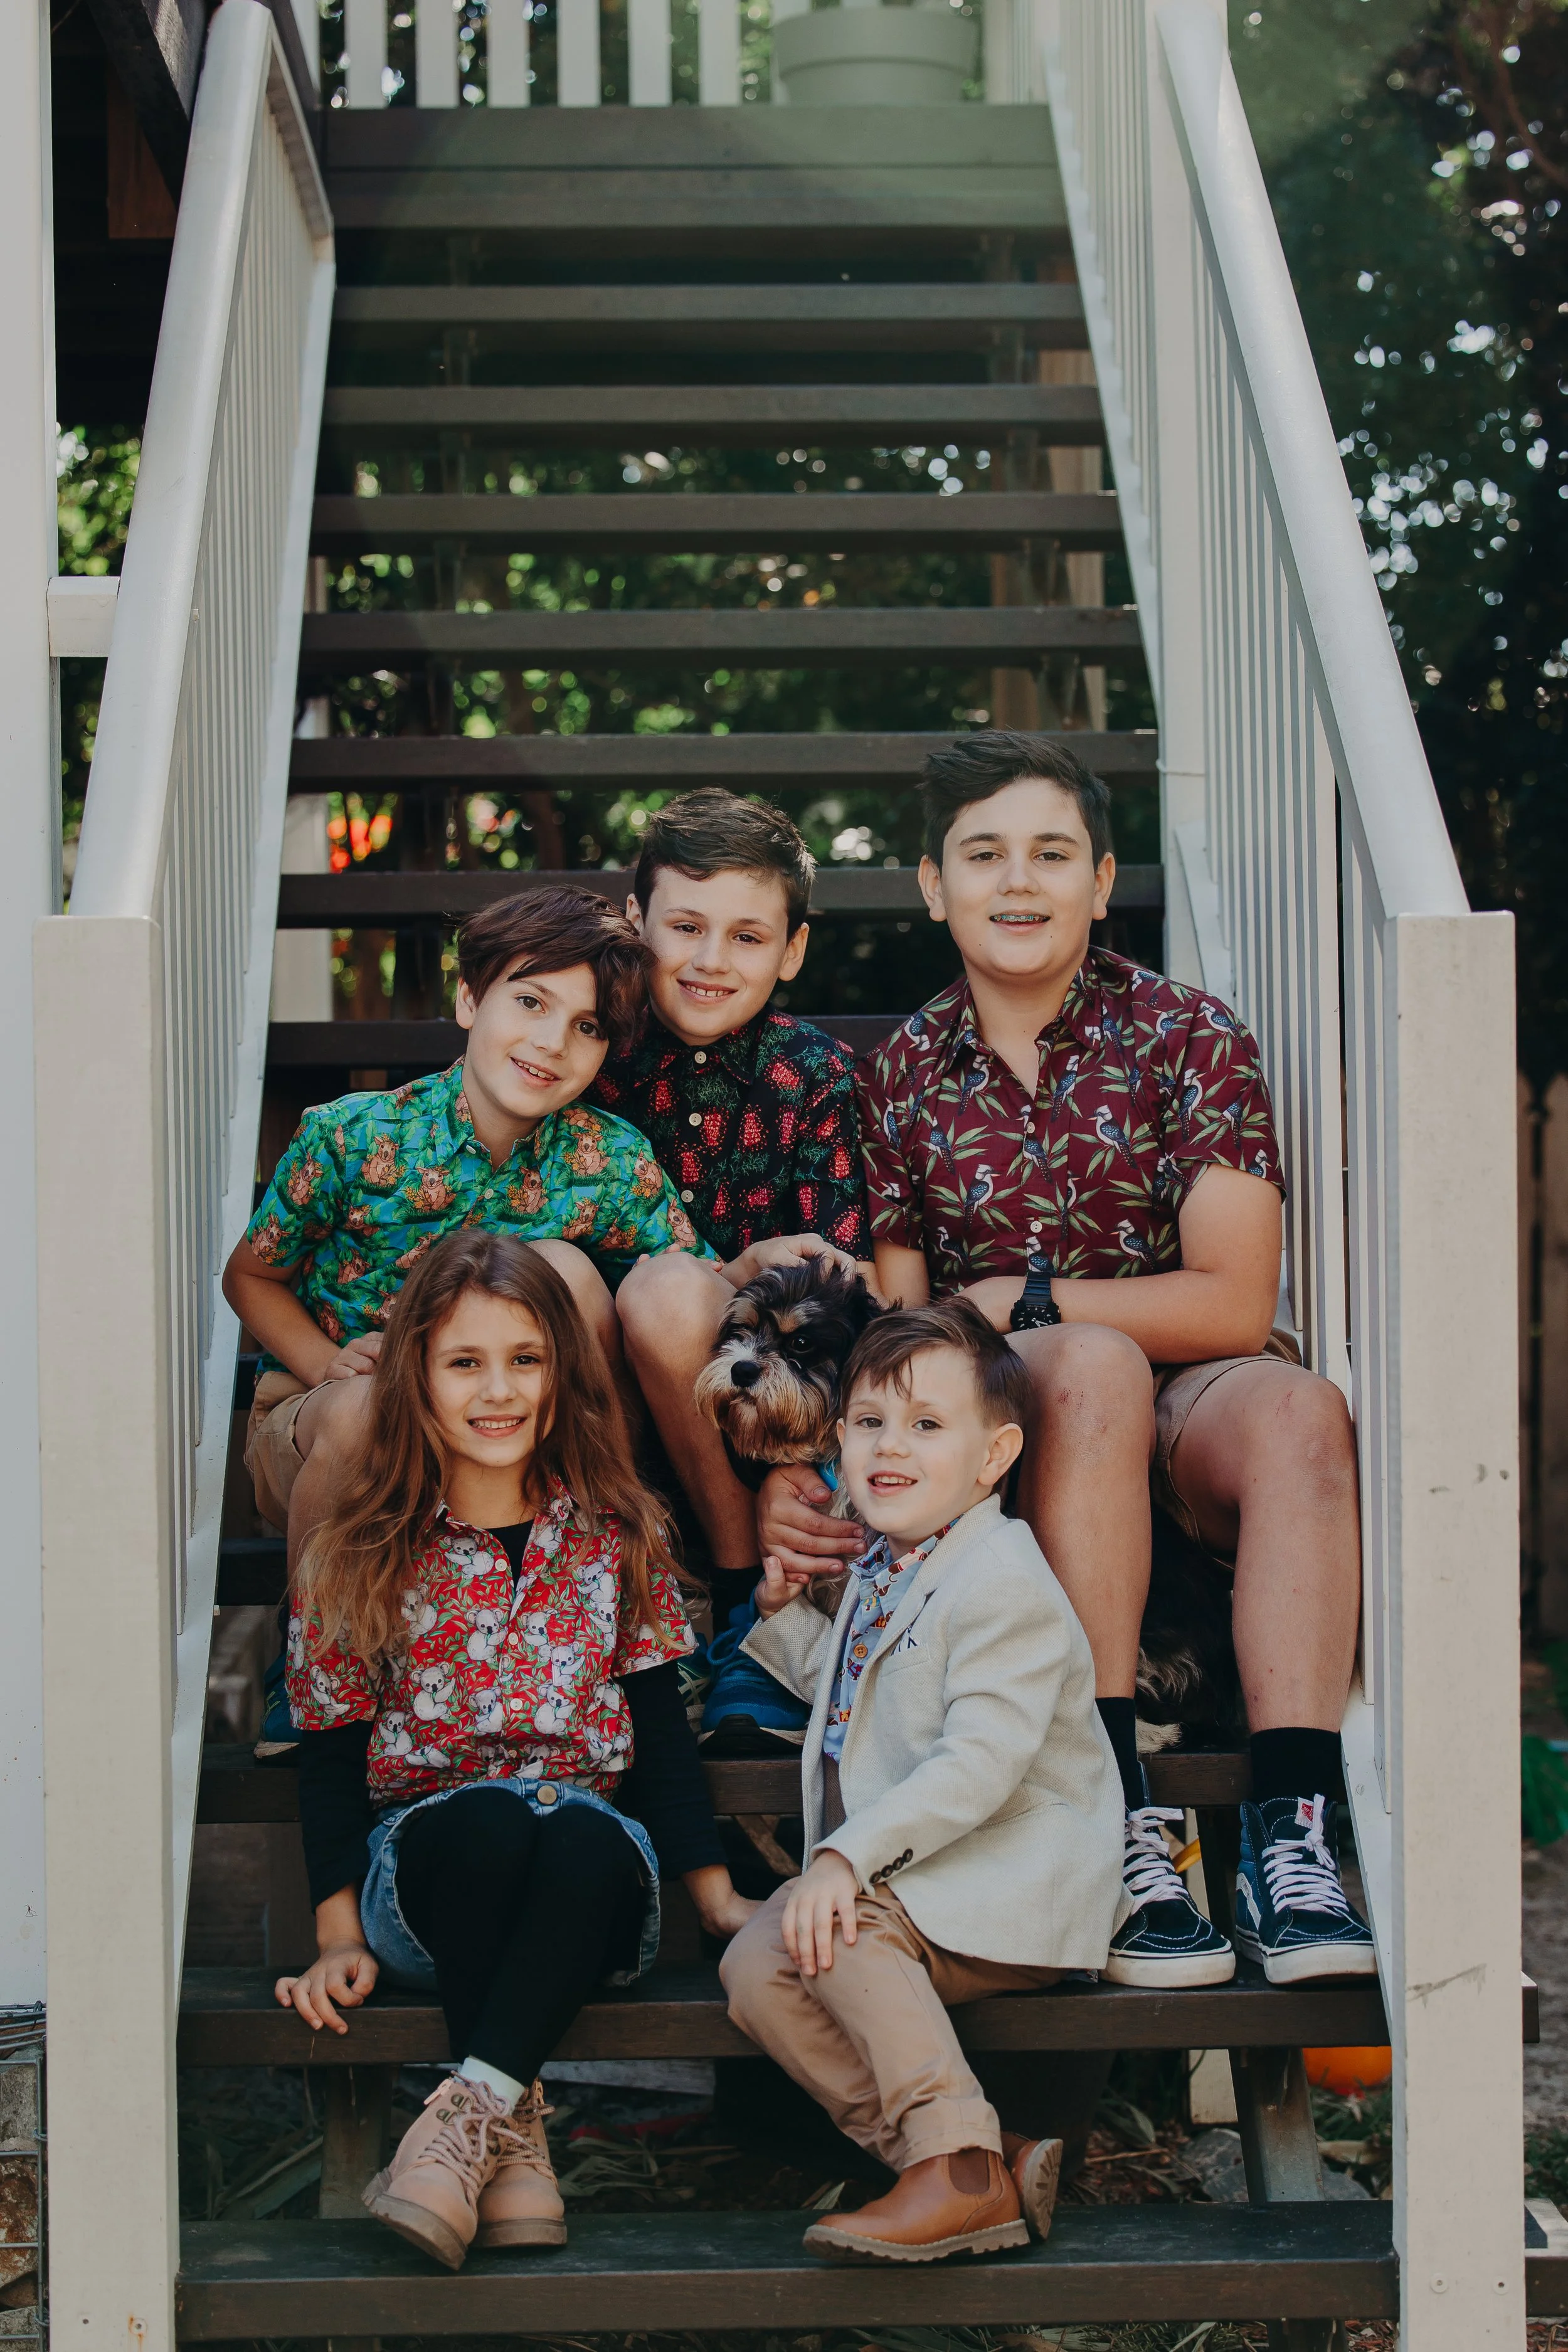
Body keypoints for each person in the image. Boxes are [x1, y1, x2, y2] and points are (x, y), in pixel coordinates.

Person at [758, 731, 1377, 1991]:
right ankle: (1121, 1821)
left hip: (1192, 1396)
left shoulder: (1187, 1034)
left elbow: (1232, 1300)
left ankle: (1294, 1833)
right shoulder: (897, 1080)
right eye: (983, 854)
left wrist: (1024, 1295)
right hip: (1025, 1423)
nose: (1017, 881)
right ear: (933, 885)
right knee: (1086, 1367)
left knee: (1301, 1410)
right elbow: (907, 1336)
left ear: (1099, 883)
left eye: (1051, 854)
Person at [273, 1231, 755, 2272]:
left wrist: (717, 1899)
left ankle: (466, 2128)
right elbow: (329, 1760)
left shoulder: (618, 1531)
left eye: (525, 1359)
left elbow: (660, 1736)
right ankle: (512, 2132)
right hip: (426, 1881)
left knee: (575, 1831)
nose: (498, 1391)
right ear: (416, 1375)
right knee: (493, 1819)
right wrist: (336, 1933)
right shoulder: (355, 1550)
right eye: (465, 1361)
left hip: (591, 1889)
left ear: (561, 1374)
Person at [721, 1299, 1123, 2262]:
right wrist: (782, 1616)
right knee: (756, 1965)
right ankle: (974, 2157)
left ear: (994, 1457)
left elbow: (977, 1761)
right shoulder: (889, 1566)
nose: (889, 1445)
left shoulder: (1003, 1580)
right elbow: (870, 1695)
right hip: (923, 1878)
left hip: (1008, 1877)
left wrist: (842, 1857)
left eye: (927, 1423)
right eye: (869, 1421)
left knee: (835, 1925)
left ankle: (951, 2162)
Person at [224, 886, 713, 1537]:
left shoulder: (612, 1161)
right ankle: (328, 1609)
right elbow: (250, 1278)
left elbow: (692, 1287)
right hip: (334, 1417)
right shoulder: (351, 1136)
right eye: (531, 1002)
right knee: (364, 1412)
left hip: (512, 1427)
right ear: (470, 1000)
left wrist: (756, 1264)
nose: (552, 1041)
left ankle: (610, 1545)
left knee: (564, 1270)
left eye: (587, 1026)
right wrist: (321, 1363)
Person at [592, 790, 872, 1634]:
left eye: (747, 937)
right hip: (602, 1388)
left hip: (763, 1396)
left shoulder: (815, 1075)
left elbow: (842, 1280)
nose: (711, 960)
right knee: (652, 1287)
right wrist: (732, 1266)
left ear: (792, 951)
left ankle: (744, 1593)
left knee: (678, 1293)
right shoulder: (583, 1052)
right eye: (686, 926)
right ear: (635, 921)